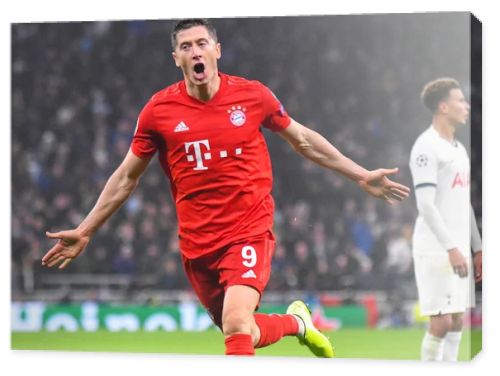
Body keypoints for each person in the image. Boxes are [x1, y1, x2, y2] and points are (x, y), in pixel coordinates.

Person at [41, 18, 410, 357]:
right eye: (186, 46)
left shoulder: (253, 96)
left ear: (217, 50)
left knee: (235, 323)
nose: (195, 51)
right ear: (176, 58)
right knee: (241, 330)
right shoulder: (158, 112)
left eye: (202, 43)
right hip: (197, 245)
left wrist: (360, 174)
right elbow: (126, 177)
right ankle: (298, 323)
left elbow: (304, 141)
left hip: (248, 231)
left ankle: (295, 323)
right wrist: (86, 229)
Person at [409, 78, 482, 361]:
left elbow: (464, 204)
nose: (466, 105)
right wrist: (452, 248)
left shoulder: (458, 149)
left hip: (459, 248)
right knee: (440, 322)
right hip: (435, 248)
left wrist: (478, 247)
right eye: (460, 100)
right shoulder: (426, 147)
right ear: (443, 106)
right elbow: (425, 205)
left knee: (458, 318)